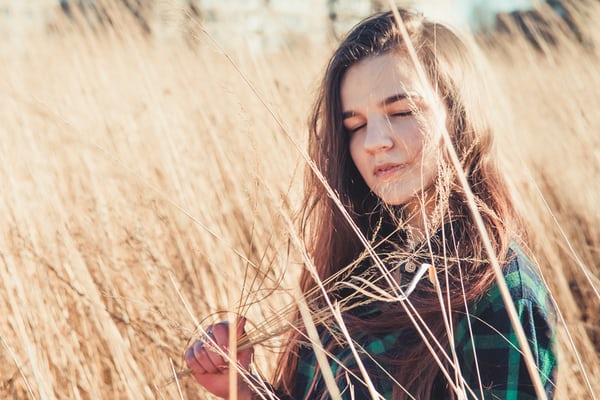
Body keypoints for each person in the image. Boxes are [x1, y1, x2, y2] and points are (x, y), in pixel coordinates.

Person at [184, 7, 558, 400]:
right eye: (356, 125)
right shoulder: (359, 265)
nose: (374, 141)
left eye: (402, 111)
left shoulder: (497, 289)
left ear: (459, 116)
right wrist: (245, 390)